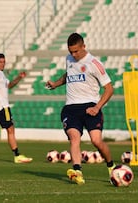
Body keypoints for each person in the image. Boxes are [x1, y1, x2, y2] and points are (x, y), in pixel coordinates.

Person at [45, 33, 115, 185]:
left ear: (84, 46)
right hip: (70, 108)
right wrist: (56, 84)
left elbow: (109, 89)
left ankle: (111, 166)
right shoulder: (68, 59)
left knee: (96, 141)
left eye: (76, 51)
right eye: (71, 51)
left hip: (90, 106)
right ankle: (77, 172)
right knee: (74, 138)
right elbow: (69, 74)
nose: (73, 54)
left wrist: (97, 107)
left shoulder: (94, 63)